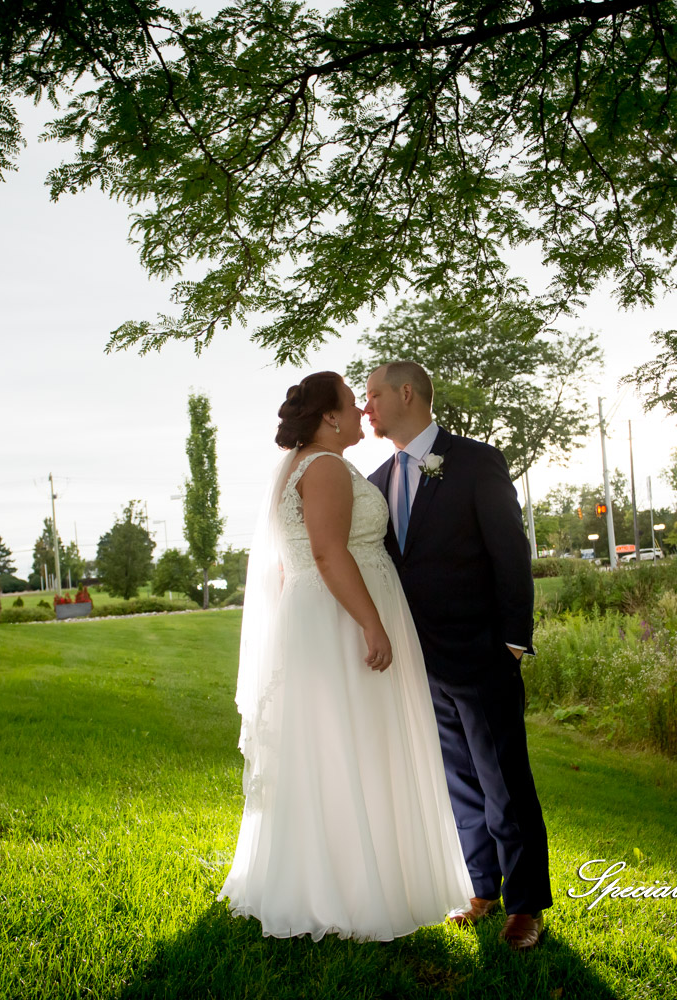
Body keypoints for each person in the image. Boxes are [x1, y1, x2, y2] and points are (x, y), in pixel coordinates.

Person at [219, 371, 473, 942]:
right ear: (330, 417)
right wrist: (371, 623)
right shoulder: (326, 467)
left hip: (320, 616)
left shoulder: (302, 465)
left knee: (335, 748)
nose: (362, 411)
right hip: (342, 620)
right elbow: (329, 554)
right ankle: (355, 894)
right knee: (357, 745)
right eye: (352, 404)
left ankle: (336, 882)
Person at [363, 360, 553, 951]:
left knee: (504, 782)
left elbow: (509, 551)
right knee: (459, 783)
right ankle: (482, 888)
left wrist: (513, 640)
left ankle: (526, 905)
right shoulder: (374, 481)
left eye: (373, 395)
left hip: (482, 653)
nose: (366, 407)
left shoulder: (475, 461)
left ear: (407, 393)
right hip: (418, 662)